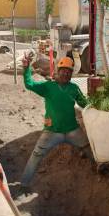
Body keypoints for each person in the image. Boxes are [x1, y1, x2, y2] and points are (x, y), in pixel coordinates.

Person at [19, 55, 91, 193]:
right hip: (52, 131)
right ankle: (24, 183)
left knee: (87, 147)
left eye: (69, 72)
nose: (66, 74)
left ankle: (98, 169)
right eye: (63, 70)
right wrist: (26, 68)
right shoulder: (48, 87)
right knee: (36, 154)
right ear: (58, 71)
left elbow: (84, 103)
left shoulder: (74, 88)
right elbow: (29, 84)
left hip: (72, 131)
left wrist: (97, 106)